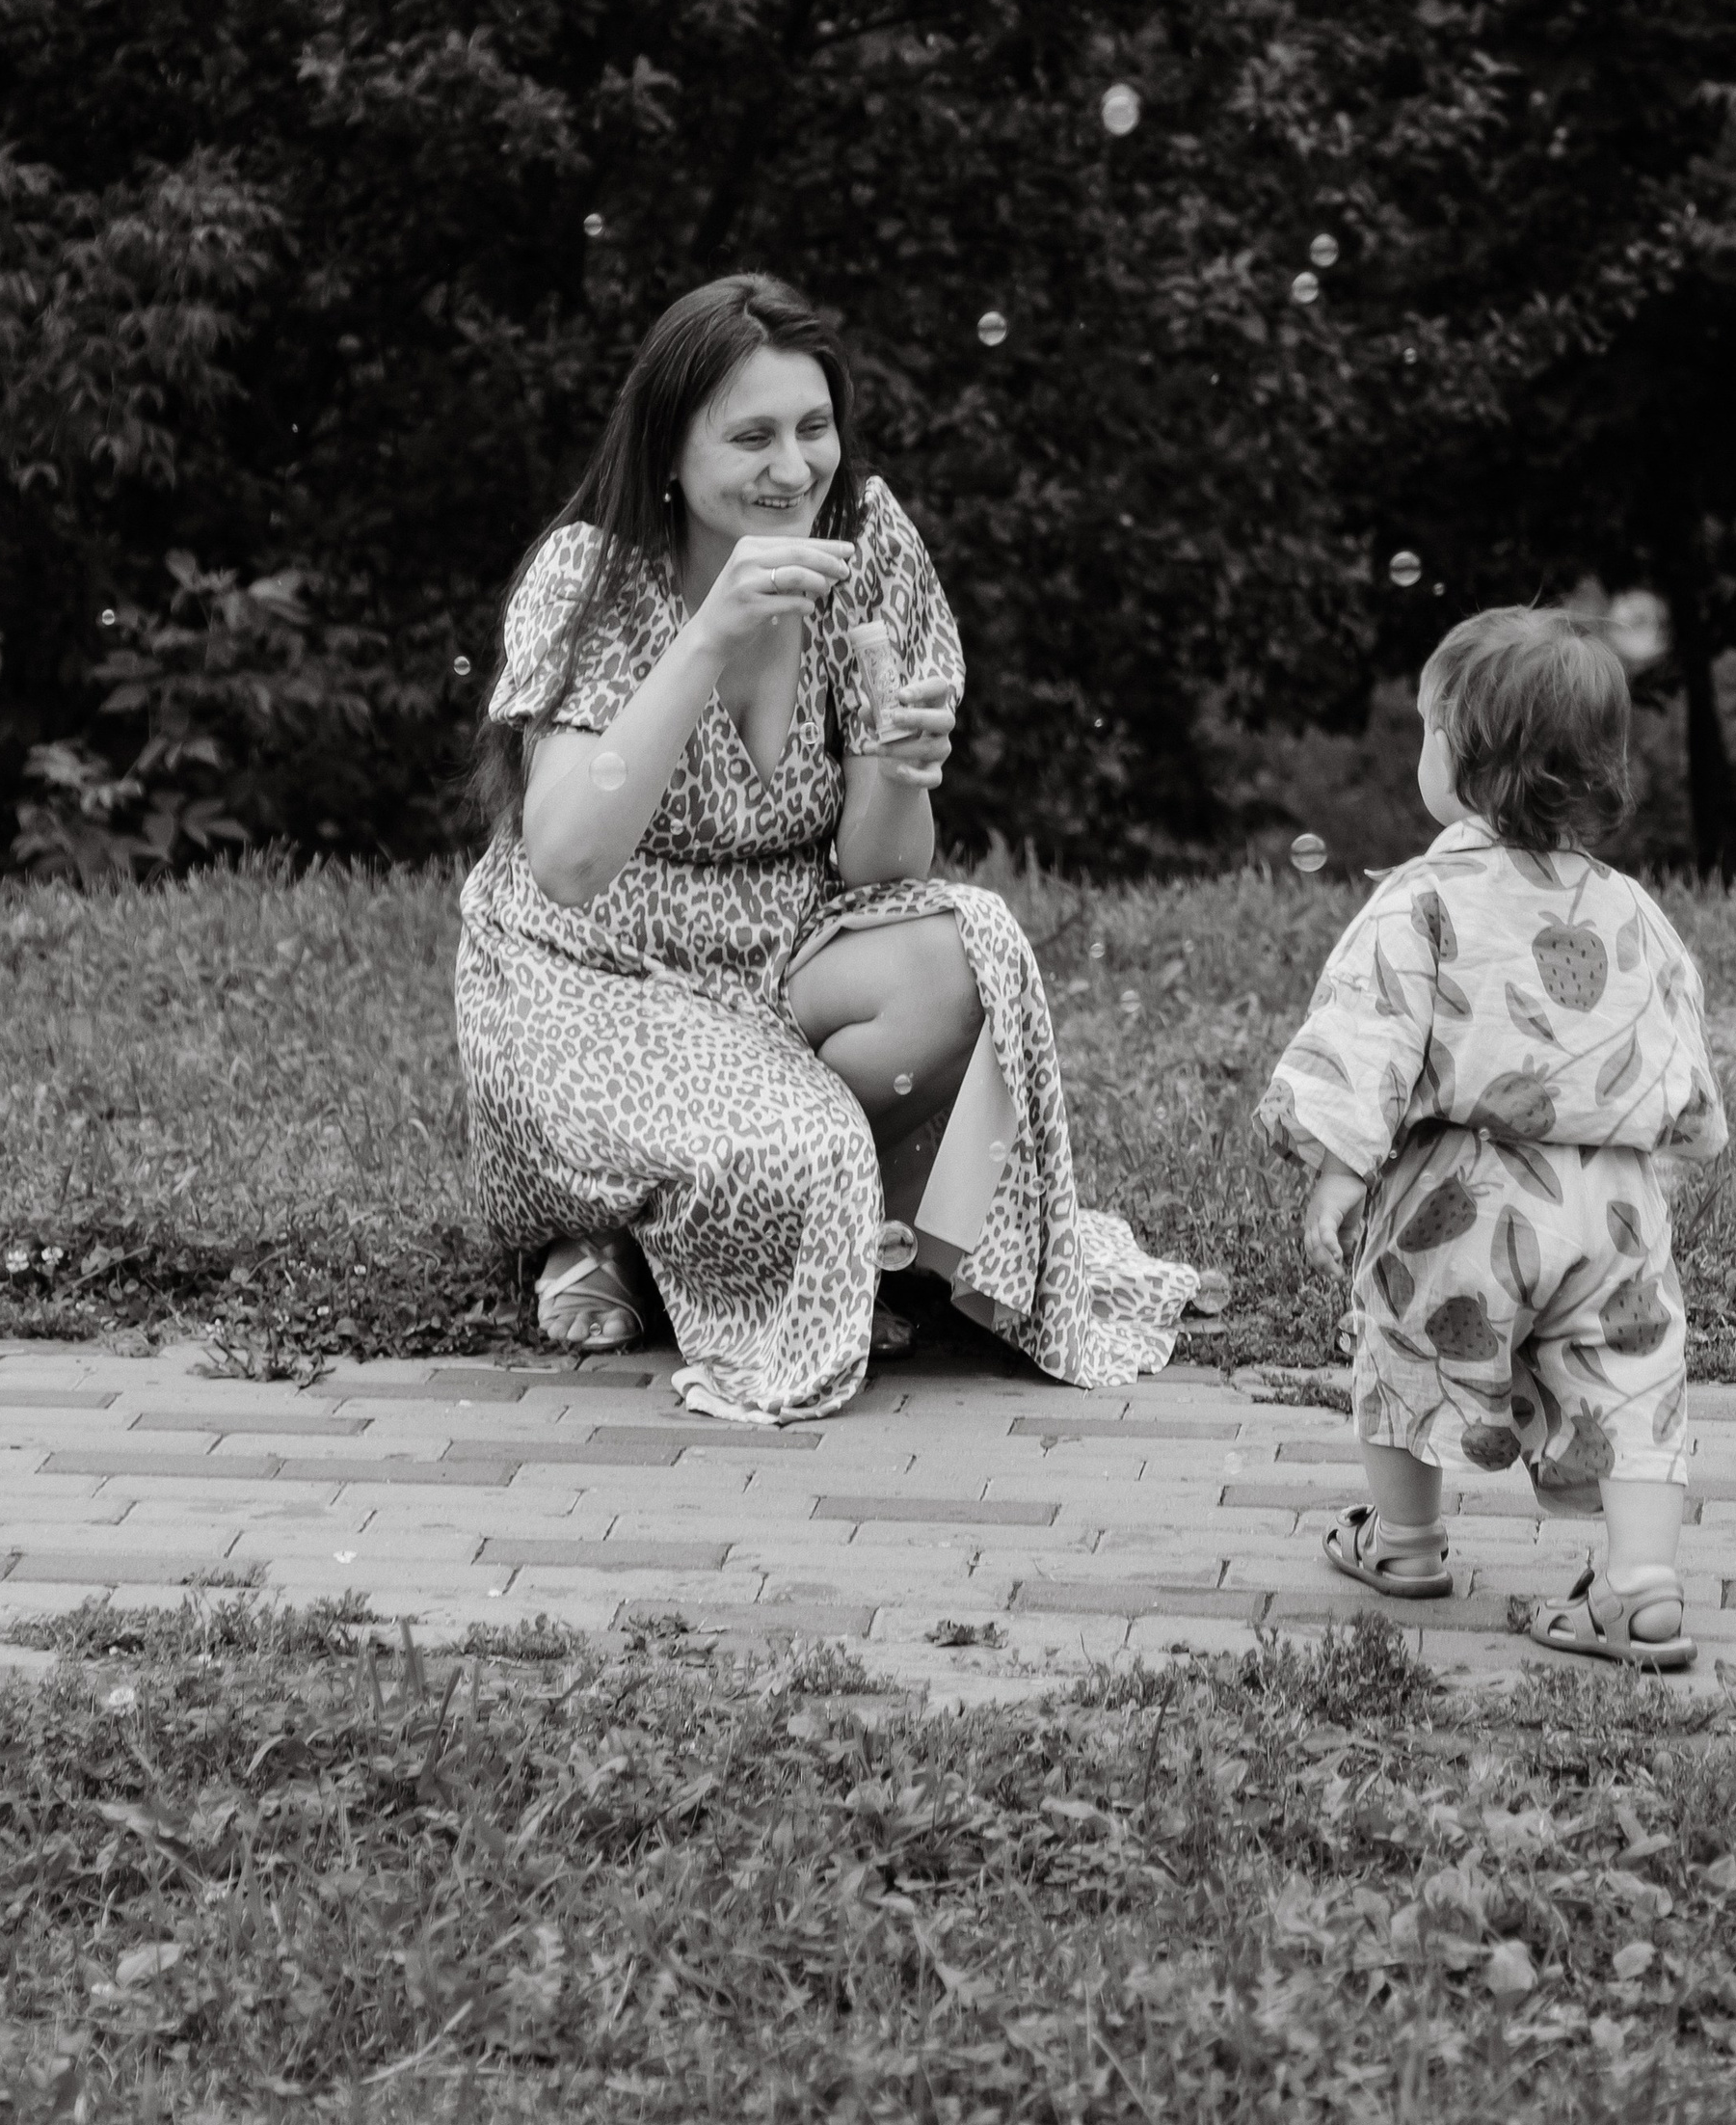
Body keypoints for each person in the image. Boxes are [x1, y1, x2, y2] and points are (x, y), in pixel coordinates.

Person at [454, 269, 1203, 1423]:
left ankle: (709, 1210)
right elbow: (565, 859)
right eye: (750, 435)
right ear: (668, 447)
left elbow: (877, 869)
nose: (793, 467)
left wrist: (902, 766)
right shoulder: (592, 577)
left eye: (813, 428)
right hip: (593, 980)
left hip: (783, 955)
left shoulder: (866, 537)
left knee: (971, 950)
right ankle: (619, 1215)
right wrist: (711, 632)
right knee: (799, 1150)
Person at [1254, 605, 1727, 1669]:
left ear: (1462, 761)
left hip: (1458, 1199)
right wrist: (1686, 1141)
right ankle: (1641, 1583)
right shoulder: (1631, 908)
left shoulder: (1417, 899)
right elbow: (1677, 1057)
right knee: (1634, 1377)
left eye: (1428, 728)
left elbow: (1364, 1037)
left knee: (1401, 1346)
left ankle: (1407, 1541)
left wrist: (1336, 1169)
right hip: (1610, 1206)